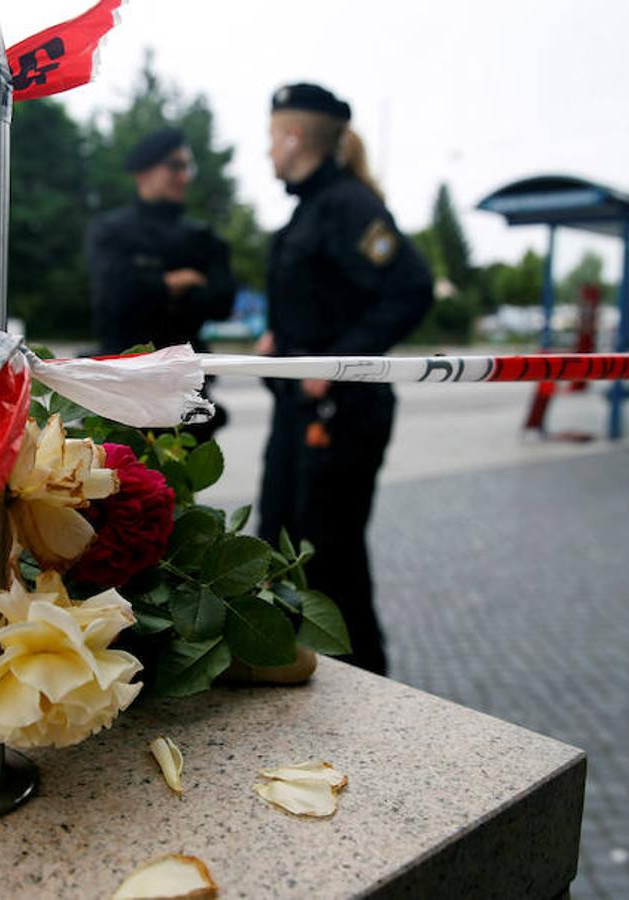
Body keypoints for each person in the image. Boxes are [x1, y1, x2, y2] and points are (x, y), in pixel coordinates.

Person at [256, 83, 434, 677]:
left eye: (271, 136)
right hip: (301, 413)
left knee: (330, 563)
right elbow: (326, 301)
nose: (267, 152)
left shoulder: (350, 206)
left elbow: (411, 287)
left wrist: (337, 363)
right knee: (278, 542)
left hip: (342, 417)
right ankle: (289, 672)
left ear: (293, 136)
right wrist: (283, 345)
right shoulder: (311, 208)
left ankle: (368, 695)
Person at [86, 127, 235, 439]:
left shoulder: (201, 237)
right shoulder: (111, 231)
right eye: (174, 166)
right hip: (122, 388)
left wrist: (146, 288)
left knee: (179, 482)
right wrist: (174, 283)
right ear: (144, 171)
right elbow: (113, 298)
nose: (184, 176)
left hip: (183, 388)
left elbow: (222, 301)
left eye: (186, 166)